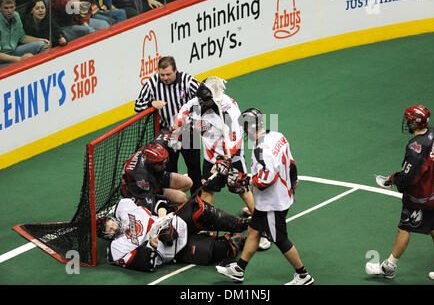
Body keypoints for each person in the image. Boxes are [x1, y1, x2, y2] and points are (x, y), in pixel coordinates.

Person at [216, 108, 315, 285]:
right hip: (279, 196)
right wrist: (293, 182)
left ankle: (303, 275)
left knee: (280, 239)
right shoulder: (278, 136)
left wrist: (245, 180)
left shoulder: (261, 149)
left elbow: (265, 179)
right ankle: (239, 269)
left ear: (248, 128)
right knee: (254, 230)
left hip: (272, 204)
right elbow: (291, 163)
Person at [366, 105, 434, 281]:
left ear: (415, 123)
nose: (407, 122)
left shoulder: (416, 146)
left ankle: (389, 267)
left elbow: (409, 179)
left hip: (419, 198)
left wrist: (393, 179)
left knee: (404, 228)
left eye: (409, 120)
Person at [96, 195, 248, 272]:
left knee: (200, 208)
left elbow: (158, 201)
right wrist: (153, 244)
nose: (113, 227)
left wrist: (162, 216)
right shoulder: (117, 248)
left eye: (111, 223)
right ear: (106, 236)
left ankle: (241, 224)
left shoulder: (125, 208)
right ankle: (238, 240)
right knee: (220, 250)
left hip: (174, 222)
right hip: (172, 249)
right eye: (108, 229)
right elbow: (147, 263)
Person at [173, 76, 255, 216]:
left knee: (242, 190)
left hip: (231, 158)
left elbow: (236, 138)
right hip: (210, 157)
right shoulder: (200, 101)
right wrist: (178, 125)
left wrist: (227, 159)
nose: (201, 103)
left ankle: (262, 225)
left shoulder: (229, 111)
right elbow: (184, 110)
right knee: (207, 190)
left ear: (213, 99)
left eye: (205, 101)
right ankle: (206, 224)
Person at [135, 56, 203, 196]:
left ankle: (197, 202)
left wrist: (191, 120)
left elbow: (202, 99)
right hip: (167, 134)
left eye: (168, 74)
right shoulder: (152, 83)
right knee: (169, 169)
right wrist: (151, 104)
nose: (165, 78)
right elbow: (138, 106)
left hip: (189, 132)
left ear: (176, 71)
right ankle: (174, 203)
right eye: (162, 75)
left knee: (194, 168)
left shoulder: (187, 80)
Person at [121, 142, 193, 206]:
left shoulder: (149, 149)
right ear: (152, 164)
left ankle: (170, 201)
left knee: (188, 182)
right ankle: (167, 207)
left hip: (155, 177)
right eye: (160, 164)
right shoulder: (141, 178)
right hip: (142, 193)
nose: (164, 166)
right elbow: (146, 202)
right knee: (182, 198)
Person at [0, 0, 50, 68]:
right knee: (22, 63)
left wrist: (40, 40)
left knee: (43, 45)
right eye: (6, 8)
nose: (9, 11)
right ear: (0, 8)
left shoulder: (16, 16)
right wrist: (19, 59)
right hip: (2, 58)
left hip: (13, 51)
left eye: (12, 7)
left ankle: (45, 71)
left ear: (15, 6)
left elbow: (22, 37)